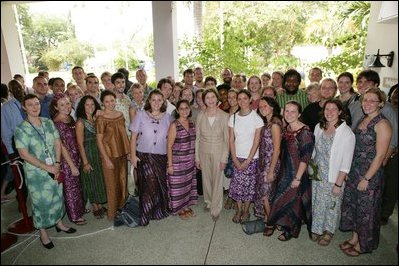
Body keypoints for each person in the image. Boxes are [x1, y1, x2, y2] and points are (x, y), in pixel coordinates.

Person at [15, 94, 76, 249]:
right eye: (30, 105)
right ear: (24, 107)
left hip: (54, 167)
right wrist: (47, 167)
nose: (35, 107)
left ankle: (59, 223)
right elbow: (24, 154)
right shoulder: (21, 129)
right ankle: (42, 232)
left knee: (57, 196)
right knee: (40, 203)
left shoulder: (48, 122)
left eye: (37, 104)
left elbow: (57, 142)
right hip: (36, 173)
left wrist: (56, 163)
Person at [339, 88, 392, 256]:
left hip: (370, 174)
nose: (367, 103)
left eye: (372, 100)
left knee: (367, 211)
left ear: (381, 103)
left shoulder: (382, 124)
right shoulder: (363, 118)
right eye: (365, 100)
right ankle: (355, 238)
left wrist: (367, 178)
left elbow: (380, 155)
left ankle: (364, 245)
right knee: (356, 207)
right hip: (355, 170)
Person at [266, 101, 314, 241]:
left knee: (294, 203)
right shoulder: (287, 128)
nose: (289, 114)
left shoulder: (305, 133)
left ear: (299, 114)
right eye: (287, 111)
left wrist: (298, 178)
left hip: (296, 173)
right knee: (281, 198)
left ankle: (291, 230)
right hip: (285, 171)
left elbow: (306, 158)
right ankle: (282, 223)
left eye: (293, 111)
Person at [310, 99, 355, 246]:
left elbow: (346, 163)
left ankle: (329, 231)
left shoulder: (346, 133)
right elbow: (314, 151)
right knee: (317, 202)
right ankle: (317, 227)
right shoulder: (318, 127)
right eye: (326, 109)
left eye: (333, 109)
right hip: (317, 174)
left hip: (334, 176)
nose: (329, 112)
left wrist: (338, 183)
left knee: (332, 205)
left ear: (340, 112)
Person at [130, 89, 172, 226]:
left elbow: (171, 139)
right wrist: (133, 156)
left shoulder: (168, 117)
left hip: (161, 157)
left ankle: (158, 211)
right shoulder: (141, 115)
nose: (156, 102)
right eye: (153, 99)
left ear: (163, 102)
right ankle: (145, 215)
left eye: (159, 100)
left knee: (159, 185)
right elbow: (133, 137)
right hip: (144, 156)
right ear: (149, 101)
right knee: (148, 185)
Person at [50, 93, 86, 225]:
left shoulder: (69, 117)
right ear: (56, 107)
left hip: (76, 155)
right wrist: (71, 165)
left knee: (77, 186)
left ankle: (79, 209)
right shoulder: (57, 123)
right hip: (66, 160)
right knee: (70, 188)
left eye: (68, 103)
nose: (66, 106)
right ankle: (75, 216)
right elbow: (62, 146)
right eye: (62, 105)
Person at [229, 90, 263, 224]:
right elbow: (231, 140)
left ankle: (246, 210)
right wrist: (234, 158)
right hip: (237, 156)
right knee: (237, 185)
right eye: (239, 99)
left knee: (248, 186)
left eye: (245, 98)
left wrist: (248, 160)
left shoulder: (257, 118)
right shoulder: (234, 117)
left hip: (252, 158)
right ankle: (238, 210)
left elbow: (256, 141)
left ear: (250, 100)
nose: (242, 101)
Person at [195, 88, 229, 221]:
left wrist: (224, 158)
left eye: (212, 97)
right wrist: (196, 157)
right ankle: (209, 202)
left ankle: (216, 208)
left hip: (219, 152)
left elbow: (227, 140)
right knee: (206, 179)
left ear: (217, 99)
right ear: (204, 100)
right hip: (203, 152)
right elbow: (197, 138)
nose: (210, 100)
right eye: (207, 97)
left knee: (217, 180)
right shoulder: (200, 115)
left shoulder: (224, 116)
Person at [96, 90, 130, 220]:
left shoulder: (120, 115)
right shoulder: (101, 118)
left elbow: (123, 134)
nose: (110, 104)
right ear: (102, 103)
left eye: (112, 100)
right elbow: (99, 140)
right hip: (109, 155)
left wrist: (127, 152)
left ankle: (121, 207)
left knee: (122, 182)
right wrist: (106, 159)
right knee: (111, 185)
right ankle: (111, 213)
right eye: (107, 101)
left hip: (121, 153)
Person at [75, 95, 108, 219]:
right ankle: (95, 205)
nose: (90, 107)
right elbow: (79, 143)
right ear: (82, 106)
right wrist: (85, 162)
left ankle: (99, 202)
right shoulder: (80, 122)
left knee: (98, 178)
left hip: (98, 152)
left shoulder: (95, 118)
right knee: (90, 179)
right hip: (88, 153)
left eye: (92, 104)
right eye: (87, 105)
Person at [254, 96, 282, 231]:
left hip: (271, 163)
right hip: (263, 163)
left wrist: (271, 170)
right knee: (266, 193)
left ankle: (271, 222)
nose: (262, 108)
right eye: (260, 106)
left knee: (266, 194)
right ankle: (267, 216)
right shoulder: (266, 123)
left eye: (265, 106)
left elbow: (277, 149)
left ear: (272, 107)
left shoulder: (275, 124)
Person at [167, 100, 198, 219]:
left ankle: (185, 206)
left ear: (190, 110)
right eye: (181, 108)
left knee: (186, 185)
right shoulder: (174, 125)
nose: (184, 110)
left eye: (186, 108)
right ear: (177, 110)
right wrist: (170, 165)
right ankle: (178, 208)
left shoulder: (191, 123)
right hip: (177, 161)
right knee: (177, 187)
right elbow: (169, 146)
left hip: (189, 161)